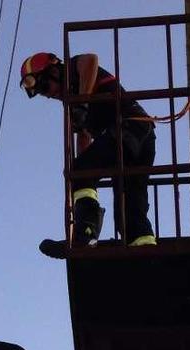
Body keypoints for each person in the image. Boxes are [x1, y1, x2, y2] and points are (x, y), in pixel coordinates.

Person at [20, 52, 157, 258]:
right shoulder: (71, 104)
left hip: (129, 127)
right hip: (141, 136)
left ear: (55, 71)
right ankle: (145, 247)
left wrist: (83, 101)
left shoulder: (75, 69)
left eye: (45, 87)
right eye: (42, 93)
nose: (48, 95)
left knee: (84, 172)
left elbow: (91, 59)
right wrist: (81, 173)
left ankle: (85, 234)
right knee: (127, 205)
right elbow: (84, 137)